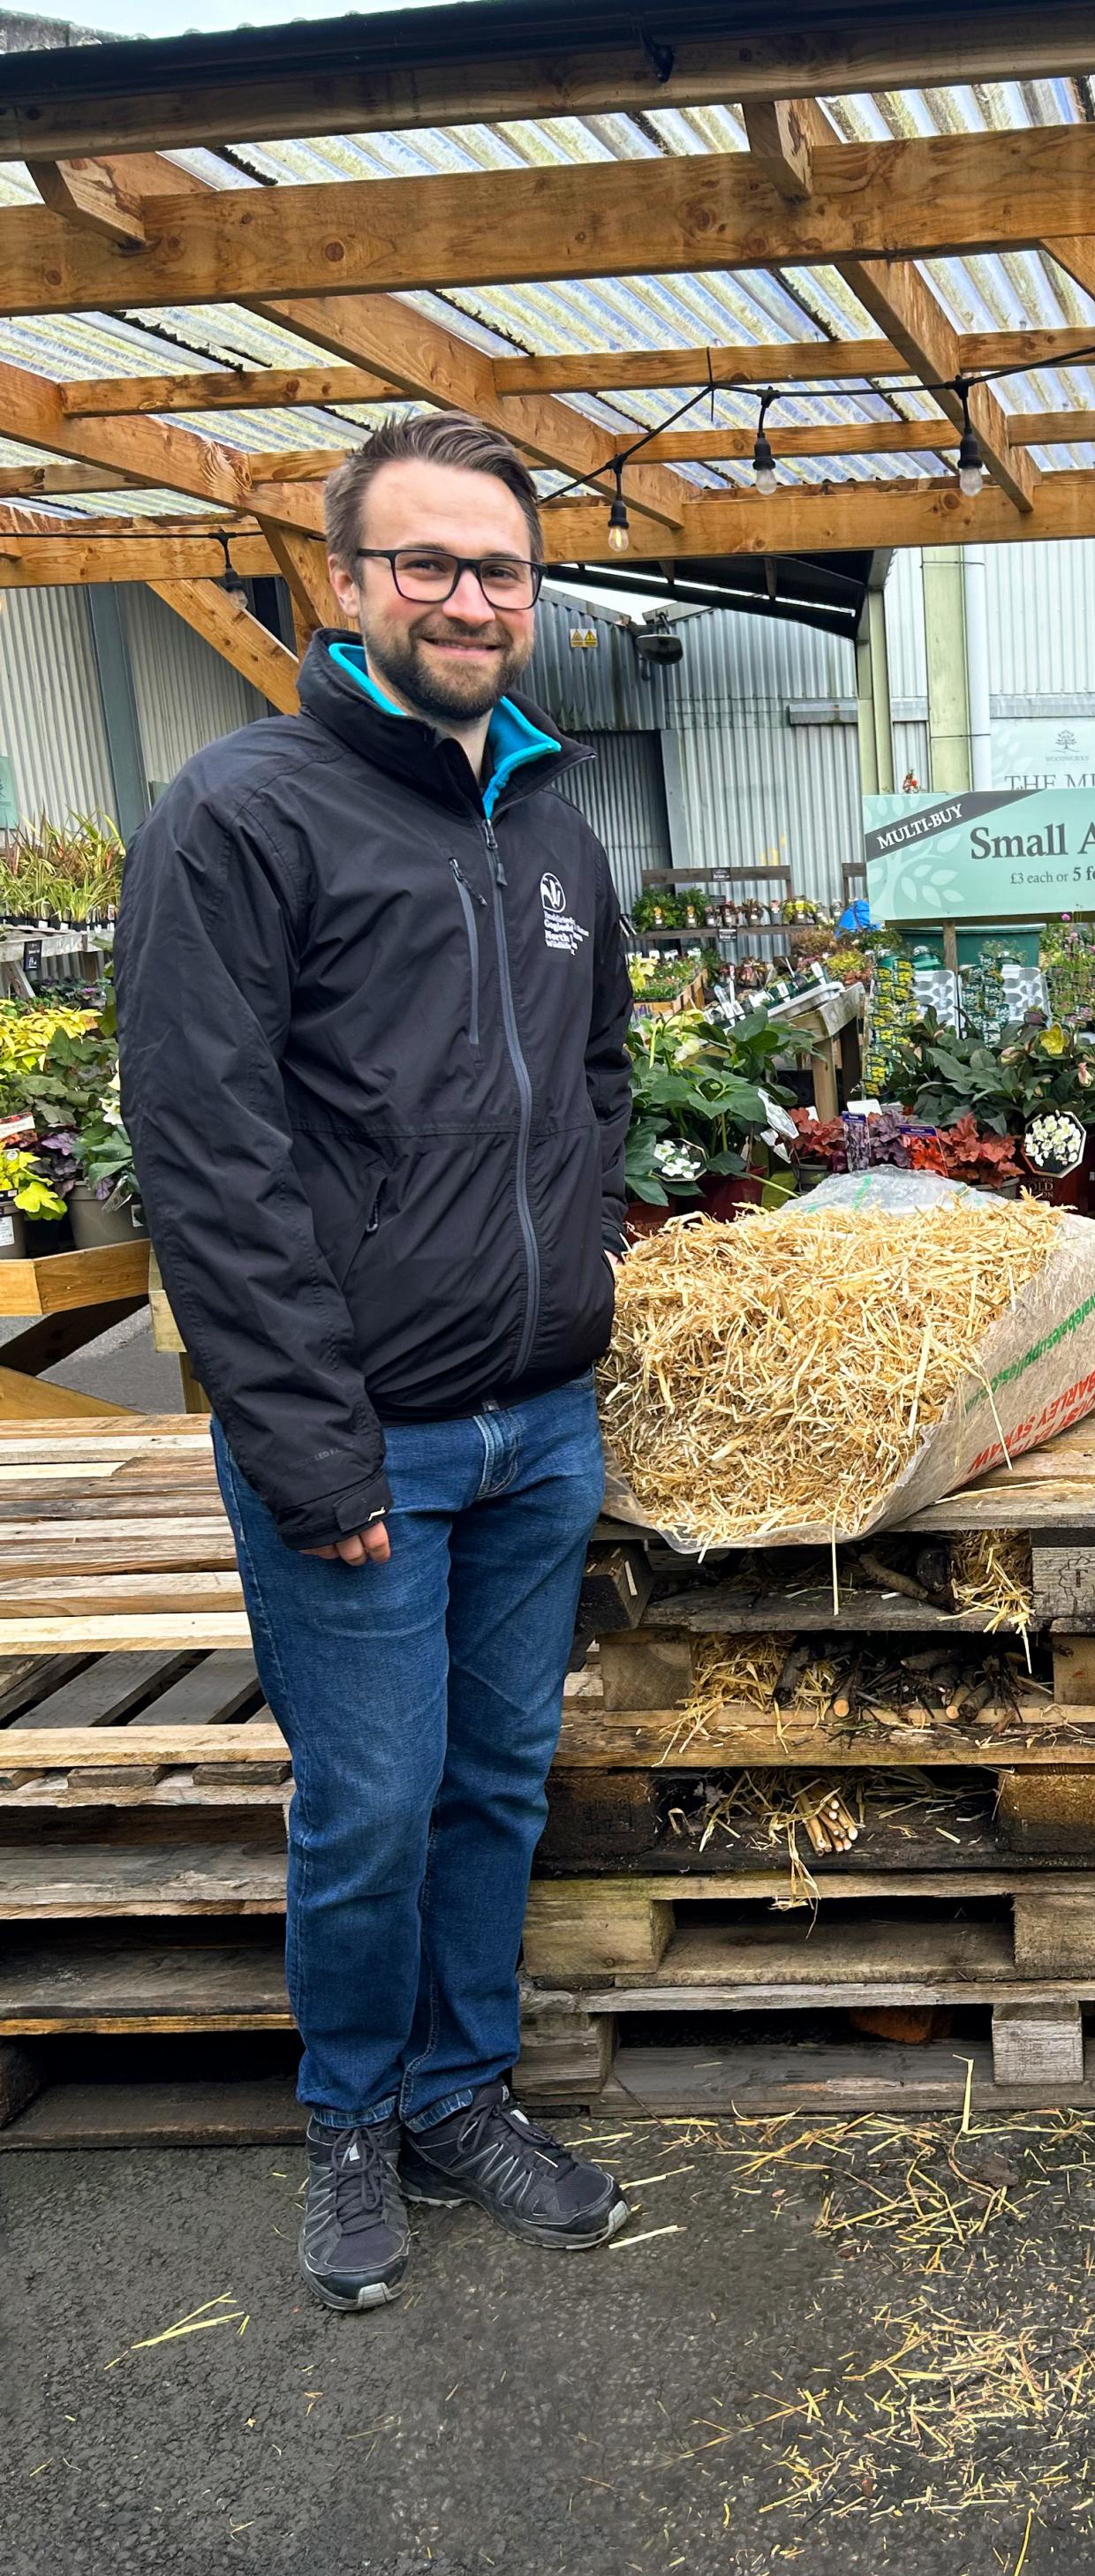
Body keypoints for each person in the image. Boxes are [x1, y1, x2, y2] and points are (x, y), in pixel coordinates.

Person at [118, 412, 636, 2312]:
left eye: (498, 567)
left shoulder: (556, 822)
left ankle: (457, 2093)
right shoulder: (244, 815)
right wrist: (312, 1446)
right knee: (368, 1797)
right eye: (424, 564)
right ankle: (347, 2117)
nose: (468, 598)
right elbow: (209, 1153)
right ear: (343, 588)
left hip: (538, 1424)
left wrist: (576, 1261)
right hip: (364, 1446)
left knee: (499, 1780)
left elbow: (599, 1075)